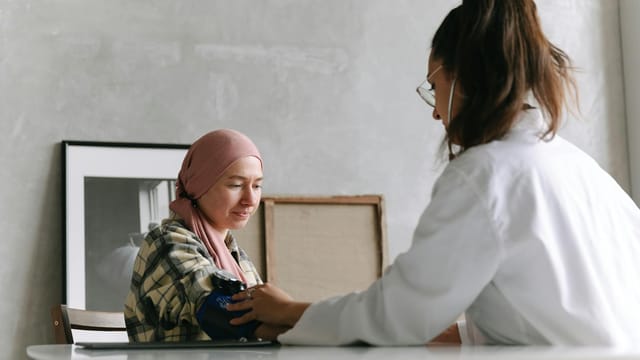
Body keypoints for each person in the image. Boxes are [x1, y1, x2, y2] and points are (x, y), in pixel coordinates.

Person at [226, 0, 640, 346]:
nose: (436, 110)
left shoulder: (485, 174)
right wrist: (454, 333)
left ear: (460, 79)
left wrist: (289, 311)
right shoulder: (583, 169)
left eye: (434, 87)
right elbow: (554, 316)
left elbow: (396, 313)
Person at [124, 129, 269, 341]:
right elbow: (223, 313)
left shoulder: (237, 256)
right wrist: (297, 319)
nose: (250, 198)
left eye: (257, 186)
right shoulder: (167, 242)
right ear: (199, 185)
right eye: (236, 185)